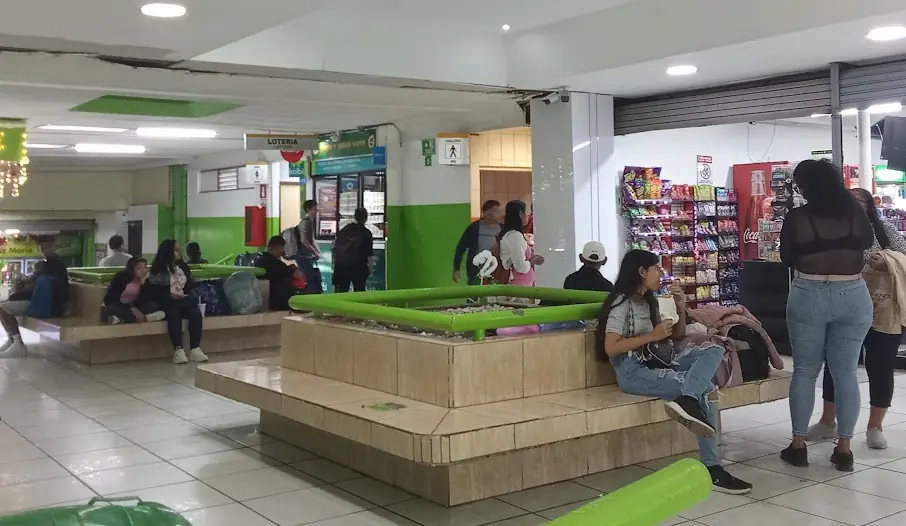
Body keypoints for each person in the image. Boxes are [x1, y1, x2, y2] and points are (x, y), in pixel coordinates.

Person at [597, 249, 752, 494]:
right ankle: (712, 468)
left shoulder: (649, 300)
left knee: (714, 349)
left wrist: (680, 308)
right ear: (641, 271)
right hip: (634, 371)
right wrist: (651, 336)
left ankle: (687, 398)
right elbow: (610, 347)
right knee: (707, 388)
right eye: (656, 268)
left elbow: (677, 335)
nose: (661, 273)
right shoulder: (622, 304)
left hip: (661, 361)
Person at [779, 160, 873, 471]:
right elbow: (867, 244)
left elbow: (787, 258)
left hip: (809, 292)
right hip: (854, 295)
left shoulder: (798, 218)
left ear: (804, 186)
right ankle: (844, 448)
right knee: (846, 372)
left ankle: (798, 444)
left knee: (805, 371)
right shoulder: (855, 214)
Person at [808, 187, 906, 450]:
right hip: (842, 305)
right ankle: (828, 420)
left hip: (882, 307)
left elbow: (904, 257)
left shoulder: (883, 229)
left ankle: (876, 426)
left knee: (881, 365)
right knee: (836, 364)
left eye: (860, 201)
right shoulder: (832, 229)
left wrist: (887, 262)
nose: (854, 205)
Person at [0, 237, 70, 358]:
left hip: (46, 306)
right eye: (42, 248)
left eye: (47, 247)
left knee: (3, 309)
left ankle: (18, 345)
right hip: (51, 304)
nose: (44, 250)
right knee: (6, 304)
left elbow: (34, 287)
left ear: (54, 247)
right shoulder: (55, 264)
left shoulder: (50, 266)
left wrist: (21, 287)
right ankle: (13, 341)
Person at [148, 240, 208, 364]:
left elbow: (191, 285)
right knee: (174, 316)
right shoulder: (158, 269)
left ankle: (195, 348)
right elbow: (153, 290)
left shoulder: (183, 267)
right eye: (176, 250)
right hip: (167, 301)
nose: (179, 253)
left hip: (183, 299)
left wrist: (189, 295)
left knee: (195, 314)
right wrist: (169, 296)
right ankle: (178, 349)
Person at [103, 257, 165, 324]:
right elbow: (112, 298)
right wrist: (131, 308)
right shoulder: (121, 277)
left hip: (136, 307)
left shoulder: (146, 280)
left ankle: (122, 319)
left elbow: (144, 301)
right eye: (139, 268)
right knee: (111, 309)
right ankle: (145, 318)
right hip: (119, 305)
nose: (143, 270)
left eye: (145, 267)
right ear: (132, 269)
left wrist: (142, 284)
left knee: (154, 306)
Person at [453, 200, 502, 285]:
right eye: (495, 211)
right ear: (486, 213)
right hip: (476, 270)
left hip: (497, 270)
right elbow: (461, 247)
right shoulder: (474, 228)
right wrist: (456, 268)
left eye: (498, 211)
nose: (498, 214)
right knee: (476, 294)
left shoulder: (502, 228)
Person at [498, 200, 543, 286]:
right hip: (518, 286)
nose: (527, 215)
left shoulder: (515, 235)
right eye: (526, 213)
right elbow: (520, 267)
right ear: (520, 214)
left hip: (522, 284)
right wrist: (532, 261)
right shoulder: (515, 236)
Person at [256, 236, 305, 310]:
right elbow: (298, 275)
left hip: (263, 299)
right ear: (281, 248)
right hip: (278, 301)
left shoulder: (260, 260)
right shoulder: (276, 264)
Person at [283, 200, 322, 293]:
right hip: (302, 255)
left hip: (306, 255)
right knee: (310, 279)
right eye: (314, 209)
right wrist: (315, 252)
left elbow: (311, 239)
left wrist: (317, 251)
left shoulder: (309, 222)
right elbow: (304, 240)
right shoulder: (305, 223)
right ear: (308, 209)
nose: (316, 211)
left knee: (311, 277)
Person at [333, 208, 374, 293]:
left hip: (341, 266)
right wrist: (370, 268)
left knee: (341, 292)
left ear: (355, 217)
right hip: (358, 267)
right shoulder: (366, 233)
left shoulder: (345, 229)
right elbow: (369, 254)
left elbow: (336, 244)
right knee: (359, 291)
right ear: (366, 218)